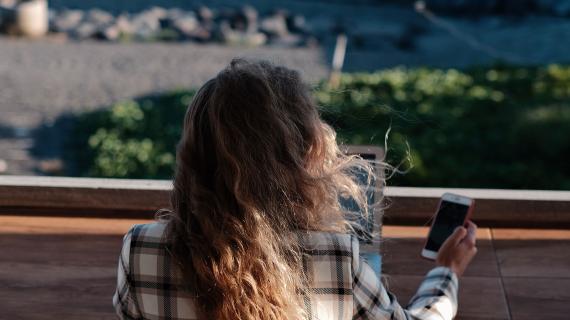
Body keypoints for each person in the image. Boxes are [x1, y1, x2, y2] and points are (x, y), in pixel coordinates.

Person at [113, 59, 478, 320]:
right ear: (303, 156)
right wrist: (446, 271)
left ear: (192, 154)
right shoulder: (335, 258)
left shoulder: (141, 248)